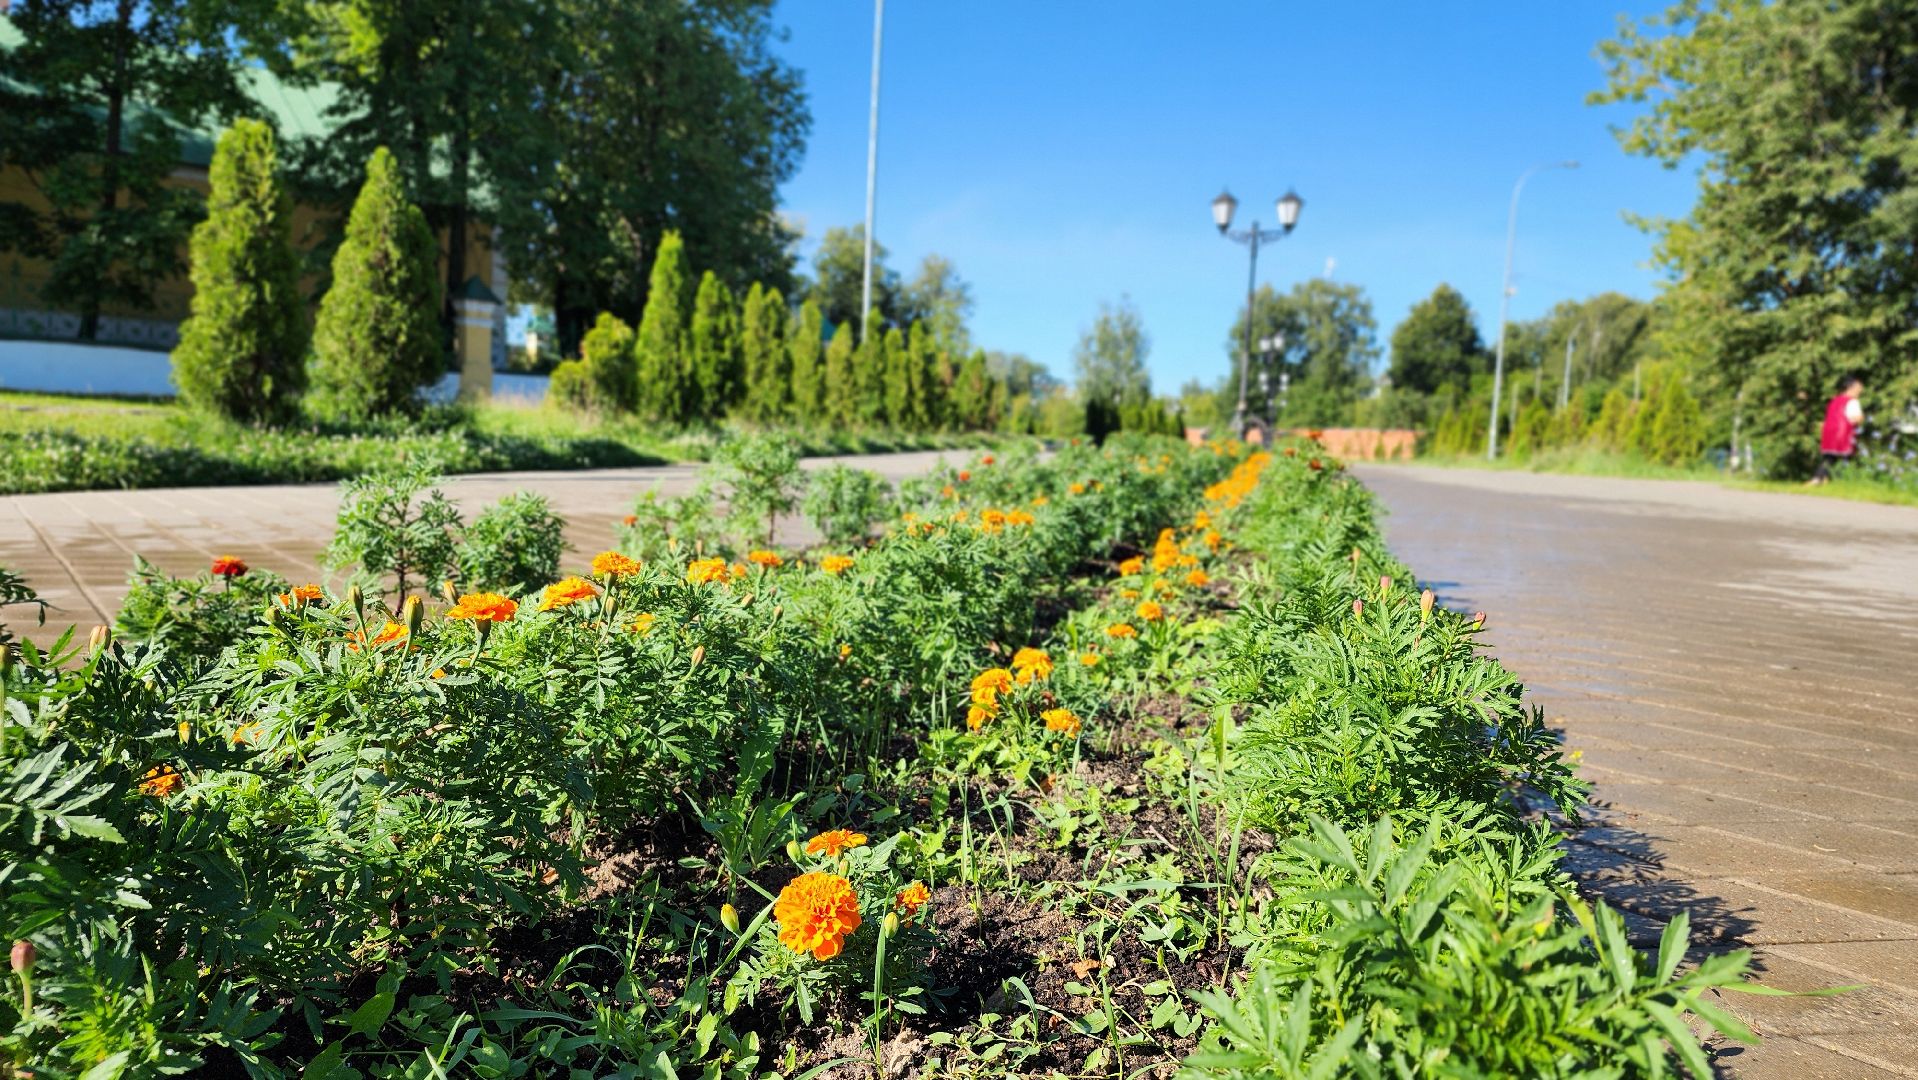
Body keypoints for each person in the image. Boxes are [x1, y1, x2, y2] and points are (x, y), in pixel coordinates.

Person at [1810, 375, 1864, 485]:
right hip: (1843, 433)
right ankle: (1817, 479)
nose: (1861, 390)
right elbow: (1855, 418)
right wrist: (1862, 418)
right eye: (1859, 387)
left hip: (1829, 433)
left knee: (1829, 457)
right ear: (1851, 387)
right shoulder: (1853, 402)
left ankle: (1823, 480)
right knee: (1850, 458)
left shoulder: (1834, 401)